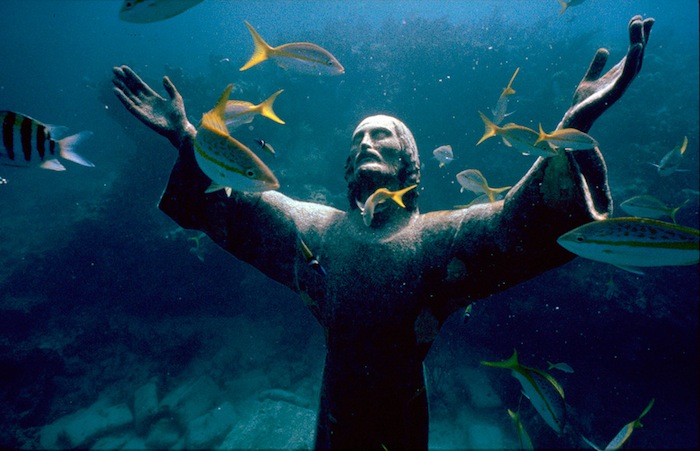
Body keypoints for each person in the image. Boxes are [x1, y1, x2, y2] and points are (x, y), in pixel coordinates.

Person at [112, 15, 653, 450]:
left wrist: (571, 131)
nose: (364, 144)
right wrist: (185, 136)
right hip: (335, 418)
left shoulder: (439, 239)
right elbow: (230, 204)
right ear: (346, 170)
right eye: (355, 139)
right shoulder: (314, 232)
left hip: (403, 421)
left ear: (410, 164)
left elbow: (518, 222)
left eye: (380, 135)